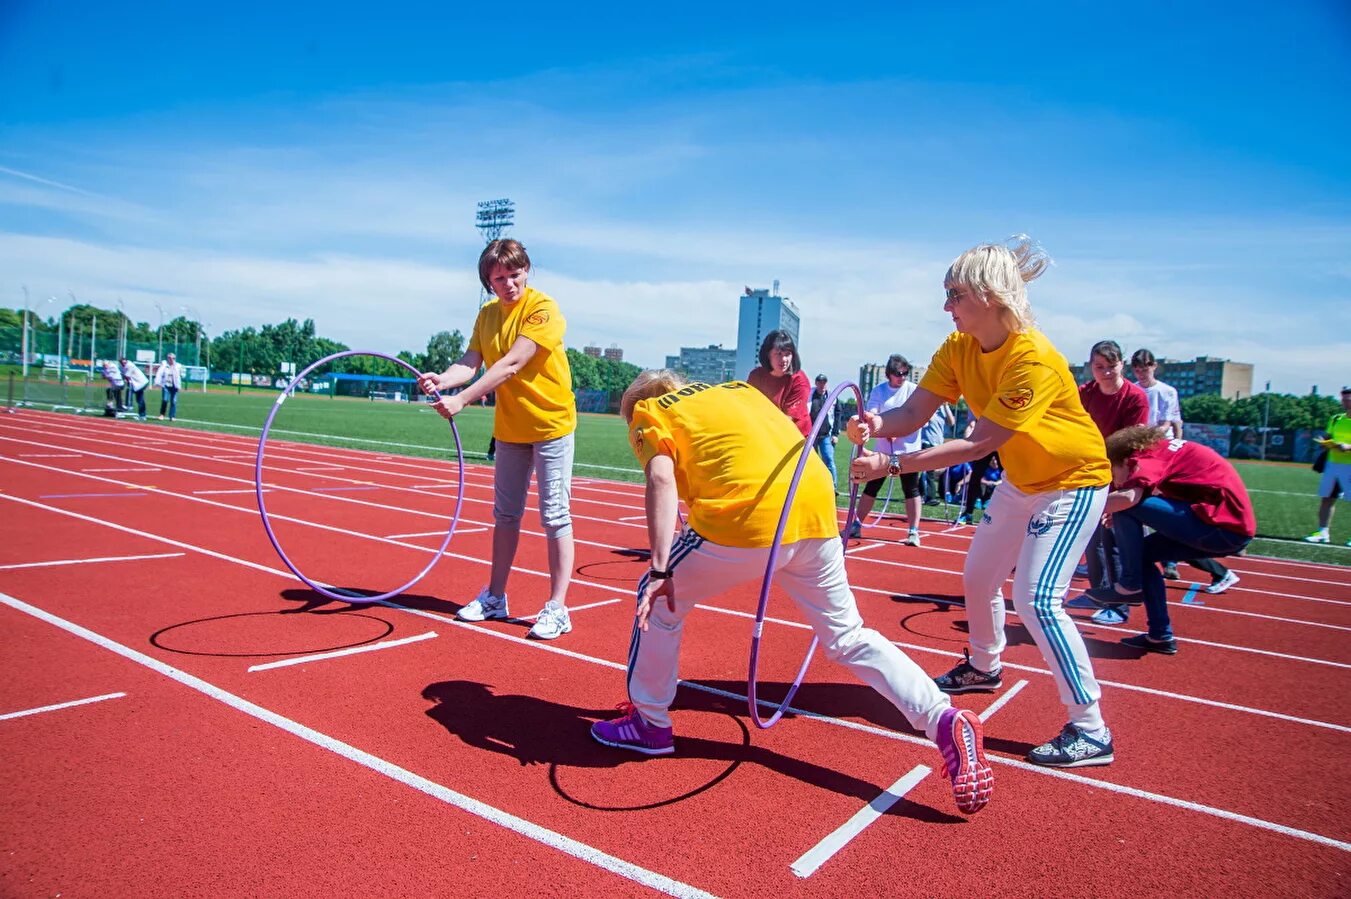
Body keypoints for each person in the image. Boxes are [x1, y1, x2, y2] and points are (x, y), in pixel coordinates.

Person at [590, 370, 994, 815]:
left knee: (658, 600)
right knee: (848, 636)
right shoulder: (739, 392)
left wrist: (662, 566)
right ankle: (943, 718)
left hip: (747, 519)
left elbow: (661, 481)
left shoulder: (650, 413)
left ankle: (649, 722)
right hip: (814, 507)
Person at [846, 235, 1115, 767]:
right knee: (978, 578)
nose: (945, 306)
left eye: (953, 294)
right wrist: (878, 425)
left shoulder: (1032, 359)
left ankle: (1091, 728)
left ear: (988, 296)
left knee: (1037, 600)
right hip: (1023, 481)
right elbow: (914, 414)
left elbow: (978, 443)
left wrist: (892, 464)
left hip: (1074, 480)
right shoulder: (957, 348)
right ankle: (985, 667)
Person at [417, 238, 577, 640]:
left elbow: (512, 363)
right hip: (510, 429)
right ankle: (496, 597)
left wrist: (463, 400)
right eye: (499, 278)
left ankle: (558, 607)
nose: (509, 283)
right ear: (489, 282)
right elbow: (471, 361)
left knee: (555, 516)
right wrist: (445, 379)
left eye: (515, 273)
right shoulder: (487, 315)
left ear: (527, 270)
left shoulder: (543, 309)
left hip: (551, 425)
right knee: (505, 516)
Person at [1086, 425, 1256, 653]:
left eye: (1113, 474)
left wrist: (1078, 511)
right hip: (1225, 525)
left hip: (1222, 526)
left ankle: (1129, 583)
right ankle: (1160, 636)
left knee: (1127, 507)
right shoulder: (1161, 451)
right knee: (1142, 556)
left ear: (1126, 460)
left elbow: (1128, 497)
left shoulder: (1145, 459)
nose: (1115, 482)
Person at [1132, 347, 1238, 591]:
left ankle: (1216, 571)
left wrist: (1150, 442)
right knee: (1144, 514)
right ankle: (1159, 563)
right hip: (1139, 453)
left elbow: (1169, 423)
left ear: (1154, 366)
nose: (1141, 372)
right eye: (1137, 368)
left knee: (1148, 510)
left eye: (1145, 367)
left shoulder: (1166, 391)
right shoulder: (1131, 388)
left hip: (1157, 456)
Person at [1068, 340, 1149, 626]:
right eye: (1099, 367)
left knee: (1115, 537)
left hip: (1121, 470)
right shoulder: (1085, 393)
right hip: (1090, 469)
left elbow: (1131, 442)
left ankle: (1119, 603)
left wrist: (1117, 482)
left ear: (1121, 365)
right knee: (1091, 538)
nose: (1105, 373)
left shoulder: (1134, 397)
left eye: (1111, 366)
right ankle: (1098, 593)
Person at [849, 354, 925, 545]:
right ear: (889, 374)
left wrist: (899, 431)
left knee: (911, 488)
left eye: (906, 373)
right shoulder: (879, 391)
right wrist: (882, 429)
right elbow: (872, 413)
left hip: (907, 451)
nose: (903, 377)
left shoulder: (913, 390)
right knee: (872, 487)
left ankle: (913, 531)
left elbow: (918, 417)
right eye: (899, 373)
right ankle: (856, 525)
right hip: (884, 451)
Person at [1305, 386, 1351, 546]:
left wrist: (1348, 446)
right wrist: (1324, 441)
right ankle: (1323, 532)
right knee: (1327, 498)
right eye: (1344, 399)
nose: (1345, 402)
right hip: (1333, 465)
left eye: (1348, 399)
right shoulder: (1336, 419)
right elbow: (1328, 436)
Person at [746, 329, 811, 436]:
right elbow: (749, 407)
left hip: (795, 436)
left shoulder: (799, 380)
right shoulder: (756, 376)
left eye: (788, 354)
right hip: (765, 431)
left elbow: (787, 420)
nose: (784, 359)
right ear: (768, 354)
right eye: (779, 353)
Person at [809, 373, 841, 491]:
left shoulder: (832, 396)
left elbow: (838, 415)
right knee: (811, 461)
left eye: (824, 382)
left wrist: (835, 434)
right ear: (816, 383)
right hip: (810, 436)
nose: (822, 385)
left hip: (826, 435)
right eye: (820, 382)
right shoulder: (810, 395)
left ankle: (833, 487)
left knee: (828, 459)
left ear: (826, 384)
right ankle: (813, 485)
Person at [921, 402, 956, 505]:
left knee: (931, 471)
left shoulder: (943, 408)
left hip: (938, 444)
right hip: (927, 442)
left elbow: (952, 422)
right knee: (929, 472)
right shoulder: (927, 406)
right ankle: (929, 497)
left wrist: (945, 406)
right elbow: (924, 422)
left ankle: (920, 493)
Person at [119, 356, 149, 421]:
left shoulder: (129, 365)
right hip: (138, 384)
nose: (123, 364)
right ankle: (142, 415)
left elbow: (127, 377)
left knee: (129, 391)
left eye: (124, 362)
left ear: (126, 361)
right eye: (122, 363)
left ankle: (129, 405)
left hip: (141, 383)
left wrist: (122, 376)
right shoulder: (125, 366)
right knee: (139, 399)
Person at [154, 352, 182, 420]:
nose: (170, 359)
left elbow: (180, 375)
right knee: (165, 400)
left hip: (174, 386)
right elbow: (159, 373)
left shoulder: (178, 366)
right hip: (166, 385)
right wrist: (157, 382)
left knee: (173, 401)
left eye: (172, 358)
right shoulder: (164, 365)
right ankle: (162, 414)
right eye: (169, 358)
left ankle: (172, 416)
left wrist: (179, 386)